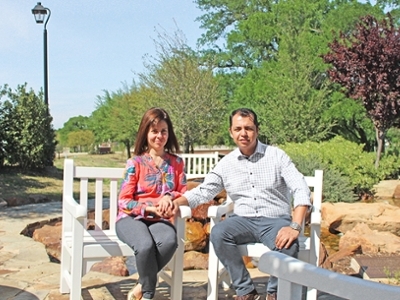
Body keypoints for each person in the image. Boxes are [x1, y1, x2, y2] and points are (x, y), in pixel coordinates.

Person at [170, 108, 311, 300]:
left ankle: (274, 293)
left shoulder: (277, 156)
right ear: (231, 132)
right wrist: (175, 202)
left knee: (288, 244)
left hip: (275, 220)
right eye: (238, 129)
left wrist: (295, 226)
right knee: (219, 233)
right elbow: (203, 191)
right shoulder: (226, 163)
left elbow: (300, 188)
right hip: (242, 220)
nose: (243, 133)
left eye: (248, 128)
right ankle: (246, 291)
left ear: (257, 130)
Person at [116, 107, 187, 300]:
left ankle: (142, 283)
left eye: (164, 131)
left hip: (160, 220)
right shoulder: (135, 163)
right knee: (145, 245)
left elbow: (184, 192)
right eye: (154, 131)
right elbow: (123, 201)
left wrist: (169, 197)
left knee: (170, 242)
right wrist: (147, 207)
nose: (159, 136)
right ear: (145, 133)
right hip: (131, 218)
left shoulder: (177, 163)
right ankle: (147, 294)